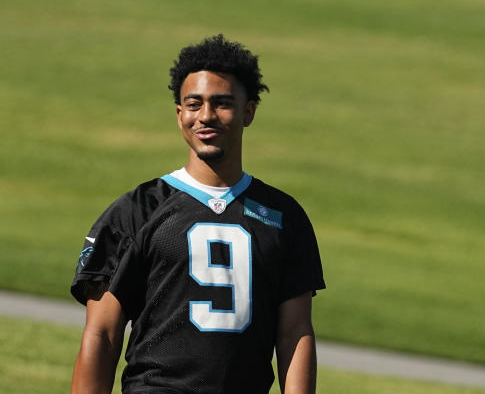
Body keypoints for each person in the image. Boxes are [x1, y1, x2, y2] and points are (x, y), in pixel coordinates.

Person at [70, 34, 325, 394]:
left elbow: (294, 334)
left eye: (222, 103)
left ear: (248, 111)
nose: (206, 116)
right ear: (179, 114)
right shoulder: (137, 210)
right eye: (194, 104)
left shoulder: (285, 217)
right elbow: (102, 333)